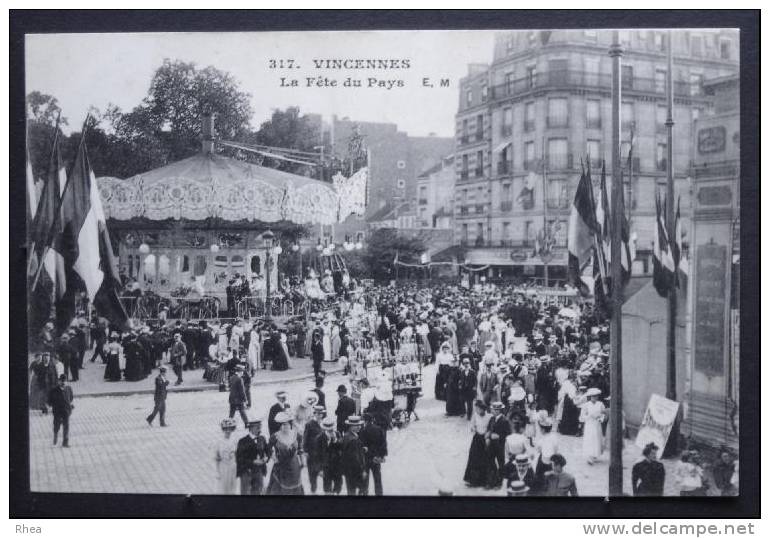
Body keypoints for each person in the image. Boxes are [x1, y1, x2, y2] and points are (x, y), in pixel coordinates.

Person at [266, 412, 304, 495]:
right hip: (281, 466)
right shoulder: (275, 436)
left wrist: (302, 462)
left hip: (294, 466)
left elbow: (300, 449)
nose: (285, 426)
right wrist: (274, 458)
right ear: (280, 426)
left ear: (290, 424)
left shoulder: (297, 435)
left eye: (287, 424)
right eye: (283, 424)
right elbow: (268, 448)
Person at [236, 419, 271, 495]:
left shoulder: (262, 439)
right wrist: (253, 461)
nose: (260, 430)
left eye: (260, 427)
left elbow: (268, 450)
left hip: (259, 471)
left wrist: (267, 457)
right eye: (257, 428)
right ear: (251, 428)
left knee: (258, 491)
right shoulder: (243, 441)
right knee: (246, 493)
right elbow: (239, 458)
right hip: (246, 472)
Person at [463, 400, 491, 488]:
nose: (477, 410)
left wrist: (488, 435)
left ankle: (485, 480)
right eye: (476, 409)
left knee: (485, 459)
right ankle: (473, 480)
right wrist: (473, 429)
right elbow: (472, 425)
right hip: (477, 439)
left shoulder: (489, 416)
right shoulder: (475, 415)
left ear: (483, 409)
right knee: (474, 458)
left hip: (485, 439)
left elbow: (491, 428)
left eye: (478, 409)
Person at [360, 413, 388, 496]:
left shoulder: (362, 430)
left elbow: (361, 445)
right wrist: (381, 456)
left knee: (365, 478)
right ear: (372, 420)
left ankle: (365, 493)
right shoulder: (379, 429)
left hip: (366, 458)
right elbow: (383, 443)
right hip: (376, 458)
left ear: (365, 420)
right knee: (377, 478)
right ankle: (379, 494)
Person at [486, 401, 512, 488]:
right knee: (490, 462)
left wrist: (499, 436)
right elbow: (489, 429)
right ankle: (491, 481)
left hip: (500, 446)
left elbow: (508, 434)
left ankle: (499, 483)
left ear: (498, 411)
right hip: (491, 445)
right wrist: (488, 436)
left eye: (493, 409)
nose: (492, 411)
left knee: (501, 464)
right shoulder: (492, 419)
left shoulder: (505, 421)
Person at [340, 415, 367, 495]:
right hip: (355, 471)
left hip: (348, 470)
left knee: (351, 490)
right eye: (356, 425)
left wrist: (361, 449)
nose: (359, 427)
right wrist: (362, 470)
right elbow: (356, 458)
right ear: (351, 426)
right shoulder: (354, 440)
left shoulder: (346, 436)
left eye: (359, 425)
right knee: (361, 490)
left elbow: (348, 451)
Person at [317, 416, 343, 495]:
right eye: (328, 429)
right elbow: (317, 455)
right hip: (326, 466)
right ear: (324, 428)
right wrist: (320, 469)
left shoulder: (338, 434)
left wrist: (335, 440)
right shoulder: (320, 438)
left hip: (337, 465)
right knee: (327, 487)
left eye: (331, 428)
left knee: (338, 485)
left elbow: (342, 446)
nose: (330, 430)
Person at [303, 405, 326, 494]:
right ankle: (313, 492)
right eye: (318, 413)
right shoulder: (309, 424)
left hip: (322, 454)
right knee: (312, 476)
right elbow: (305, 438)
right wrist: (305, 451)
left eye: (321, 414)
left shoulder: (324, 424)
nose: (319, 415)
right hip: (312, 454)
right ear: (315, 414)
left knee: (324, 474)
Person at [580, 388, 606, 464]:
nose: (595, 398)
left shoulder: (600, 404)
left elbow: (603, 414)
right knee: (590, 439)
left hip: (597, 424)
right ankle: (590, 456)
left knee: (596, 439)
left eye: (596, 396)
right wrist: (589, 416)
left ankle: (595, 454)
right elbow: (582, 416)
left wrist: (600, 418)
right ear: (590, 397)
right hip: (589, 424)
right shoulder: (586, 405)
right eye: (593, 396)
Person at [48, 374, 74, 447]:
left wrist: (70, 406)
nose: (63, 383)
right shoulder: (53, 390)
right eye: (61, 381)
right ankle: (55, 435)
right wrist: (51, 407)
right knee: (57, 425)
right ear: (58, 381)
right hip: (57, 411)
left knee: (66, 426)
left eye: (65, 381)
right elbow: (49, 401)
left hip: (66, 410)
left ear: (66, 382)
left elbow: (71, 398)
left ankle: (65, 442)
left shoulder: (69, 389)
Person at [215, 418, 239, 494]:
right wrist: (217, 471)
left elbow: (237, 454)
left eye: (230, 429)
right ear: (223, 430)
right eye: (226, 429)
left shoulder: (235, 440)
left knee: (233, 487)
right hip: (223, 467)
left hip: (233, 466)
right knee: (223, 487)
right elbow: (217, 458)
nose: (228, 431)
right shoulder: (219, 442)